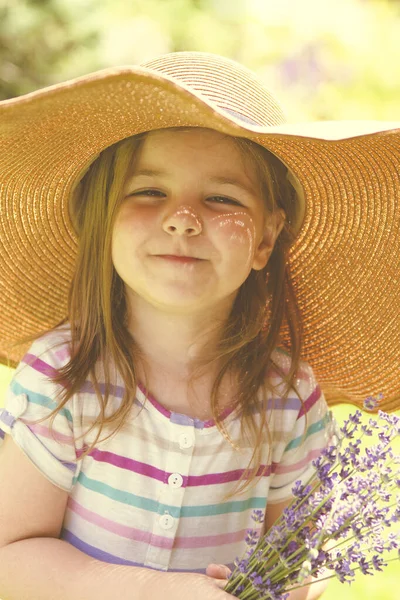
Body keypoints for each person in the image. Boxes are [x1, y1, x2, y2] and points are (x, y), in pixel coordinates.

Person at [0, 51, 399, 600]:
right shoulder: (66, 377)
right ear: (104, 218)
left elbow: (294, 566)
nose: (182, 217)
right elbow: (11, 557)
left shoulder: (289, 398)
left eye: (220, 198)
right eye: (149, 191)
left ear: (265, 238)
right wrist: (150, 590)